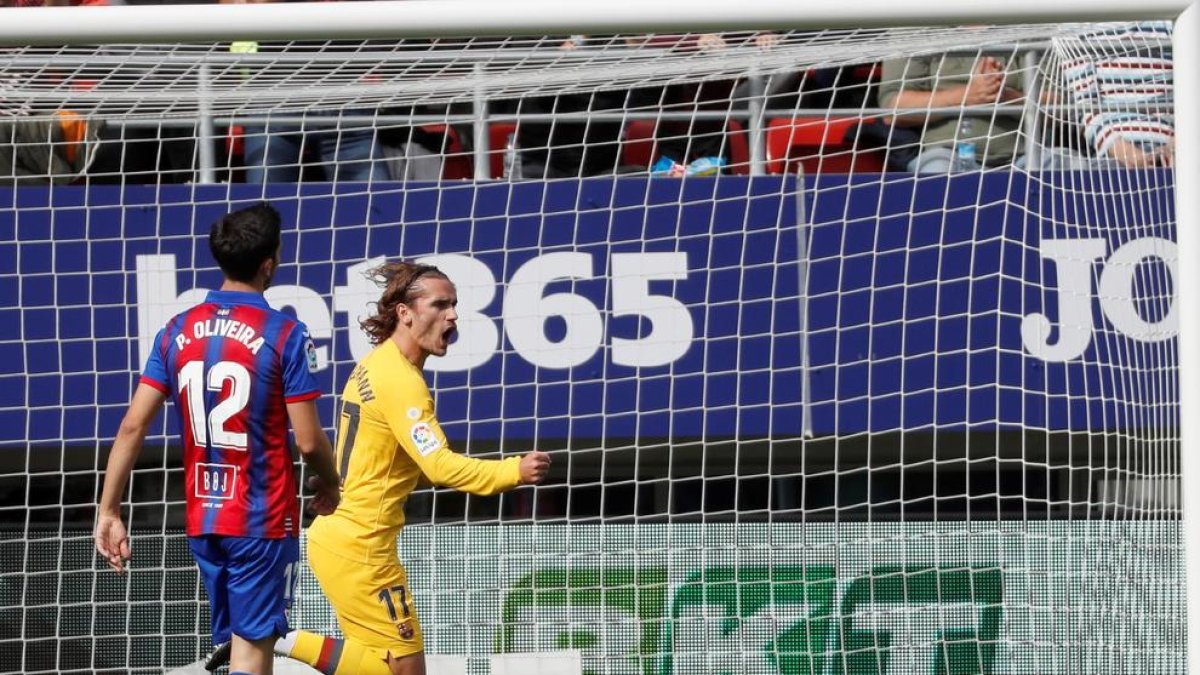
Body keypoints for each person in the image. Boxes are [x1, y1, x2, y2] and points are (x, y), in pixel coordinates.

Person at [269, 261, 551, 675]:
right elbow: (438, 466)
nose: (452, 314)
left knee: (379, 666)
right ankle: (278, 638)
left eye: (454, 304)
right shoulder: (402, 381)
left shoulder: (374, 363)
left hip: (343, 538)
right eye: (440, 304)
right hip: (364, 548)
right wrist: (514, 472)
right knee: (403, 671)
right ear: (405, 312)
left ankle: (278, 638)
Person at [94, 202, 342, 675]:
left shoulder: (176, 330)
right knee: (252, 654)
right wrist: (330, 483)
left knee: (238, 649)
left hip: (204, 518)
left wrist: (108, 510)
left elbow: (132, 425)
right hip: (260, 518)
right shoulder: (285, 333)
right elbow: (309, 442)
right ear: (270, 264)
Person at [877, 49, 1028, 173]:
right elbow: (893, 108)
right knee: (936, 178)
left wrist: (1002, 95)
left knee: (1050, 167)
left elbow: (1051, 102)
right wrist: (967, 95)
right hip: (945, 156)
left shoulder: (1032, 20)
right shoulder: (913, 24)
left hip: (1026, 156)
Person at [1059, 21, 1174, 169]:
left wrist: (1178, 144)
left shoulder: (1169, 20)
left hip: (1172, 148)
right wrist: (1125, 151)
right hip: (1114, 154)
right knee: (1034, 162)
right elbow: (1086, 110)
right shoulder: (1074, 27)